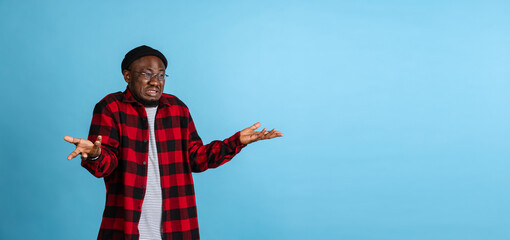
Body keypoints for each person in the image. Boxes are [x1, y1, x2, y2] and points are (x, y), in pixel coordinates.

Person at [64, 45, 283, 240]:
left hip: (178, 227)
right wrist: (94, 153)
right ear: (127, 76)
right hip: (127, 227)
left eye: (161, 75)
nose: (155, 82)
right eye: (147, 74)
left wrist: (236, 142)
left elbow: (197, 159)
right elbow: (106, 165)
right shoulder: (111, 107)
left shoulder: (178, 109)